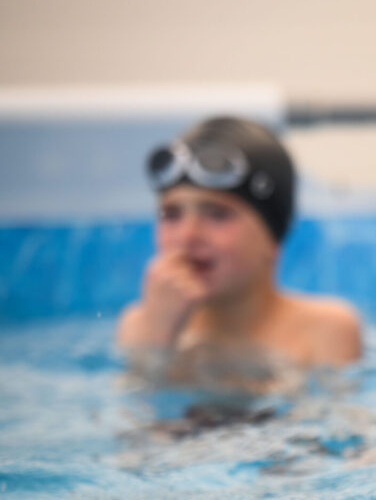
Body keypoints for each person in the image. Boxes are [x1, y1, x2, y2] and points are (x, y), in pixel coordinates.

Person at [117, 116, 362, 393]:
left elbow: (337, 417)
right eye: (172, 214)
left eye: (217, 214)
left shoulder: (325, 328)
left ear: (271, 238)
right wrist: (156, 344)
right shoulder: (140, 324)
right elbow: (138, 414)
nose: (187, 235)